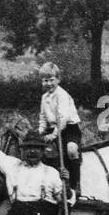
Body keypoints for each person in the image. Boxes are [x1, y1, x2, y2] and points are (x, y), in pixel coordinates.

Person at [38, 62, 82, 203]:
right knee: (42, 152)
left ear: (58, 79)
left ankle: (75, 183)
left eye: (51, 80)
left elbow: (63, 118)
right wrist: (40, 132)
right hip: (52, 129)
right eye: (45, 80)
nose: (49, 83)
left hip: (69, 128)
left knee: (71, 149)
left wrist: (54, 135)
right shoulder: (44, 98)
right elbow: (43, 117)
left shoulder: (62, 95)